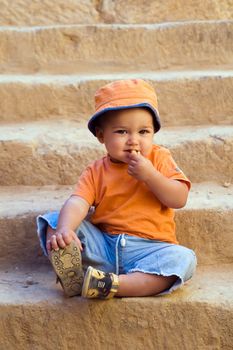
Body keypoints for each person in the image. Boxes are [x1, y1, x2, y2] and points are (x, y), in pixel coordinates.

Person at [37, 79, 197, 299]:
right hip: (103, 246)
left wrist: (151, 176)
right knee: (54, 221)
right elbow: (79, 202)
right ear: (102, 136)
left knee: (183, 259)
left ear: (153, 133)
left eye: (143, 132)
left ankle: (111, 285)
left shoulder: (159, 159)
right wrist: (66, 229)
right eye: (122, 132)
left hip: (149, 250)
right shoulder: (96, 170)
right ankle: (75, 272)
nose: (133, 141)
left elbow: (179, 198)